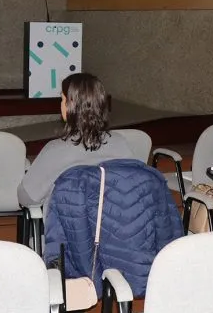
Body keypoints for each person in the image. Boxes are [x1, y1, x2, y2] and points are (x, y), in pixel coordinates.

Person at [18, 73, 134, 211]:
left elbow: (26, 198)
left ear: (70, 106)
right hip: (114, 227)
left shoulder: (55, 150)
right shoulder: (121, 143)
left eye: (62, 99)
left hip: (66, 230)